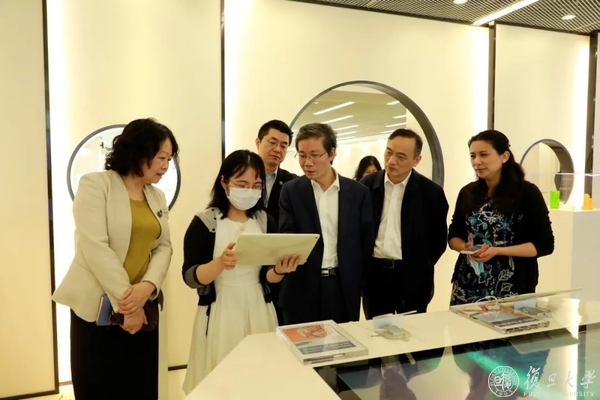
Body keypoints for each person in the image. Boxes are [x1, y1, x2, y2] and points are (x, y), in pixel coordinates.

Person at [52, 118, 178, 399]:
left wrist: (147, 287)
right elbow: (96, 247)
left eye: (169, 159)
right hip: (98, 308)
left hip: (143, 307)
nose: (165, 166)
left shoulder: (157, 196)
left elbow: (163, 247)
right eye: (161, 157)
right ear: (138, 151)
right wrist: (127, 306)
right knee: (100, 387)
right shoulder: (96, 184)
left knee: (140, 386)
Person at [181, 150, 300, 393]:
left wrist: (280, 270)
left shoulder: (265, 221)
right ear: (224, 182)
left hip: (259, 306)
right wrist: (219, 264)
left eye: (256, 186)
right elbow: (191, 277)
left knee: (260, 379)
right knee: (224, 380)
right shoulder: (205, 223)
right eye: (242, 184)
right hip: (222, 308)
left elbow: (266, 276)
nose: (249, 191)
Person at [278, 123, 374, 325]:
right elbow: (287, 235)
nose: (307, 163)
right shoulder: (291, 191)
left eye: (315, 155)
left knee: (342, 343)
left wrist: (357, 281)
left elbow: (366, 242)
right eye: (302, 155)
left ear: (331, 153)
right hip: (301, 286)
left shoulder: (358, 193)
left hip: (341, 287)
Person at [448, 130, 555, 305]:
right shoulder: (467, 192)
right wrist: (465, 247)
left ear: (504, 156)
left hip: (513, 286)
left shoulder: (527, 193)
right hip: (468, 283)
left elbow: (544, 245)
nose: (477, 161)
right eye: (473, 156)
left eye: (483, 154)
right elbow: (454, 234)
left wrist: (497, 251)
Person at [360, 129, 448, 317]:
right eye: (388, 152)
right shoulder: (366, 186)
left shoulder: (431, 193)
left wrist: (419, 265)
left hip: (412, 276)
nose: (391, 161)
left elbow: (438, 241)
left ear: (416, 160)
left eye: (401, 157)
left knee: (413, 329)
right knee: (376, 329)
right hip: (375, 274)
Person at [254, 119, 298, 324]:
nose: (277, 149)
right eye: (272, 142)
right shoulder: (240, 177)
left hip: (278, 267)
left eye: (283, 145)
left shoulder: (293, 183)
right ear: (258, 142)